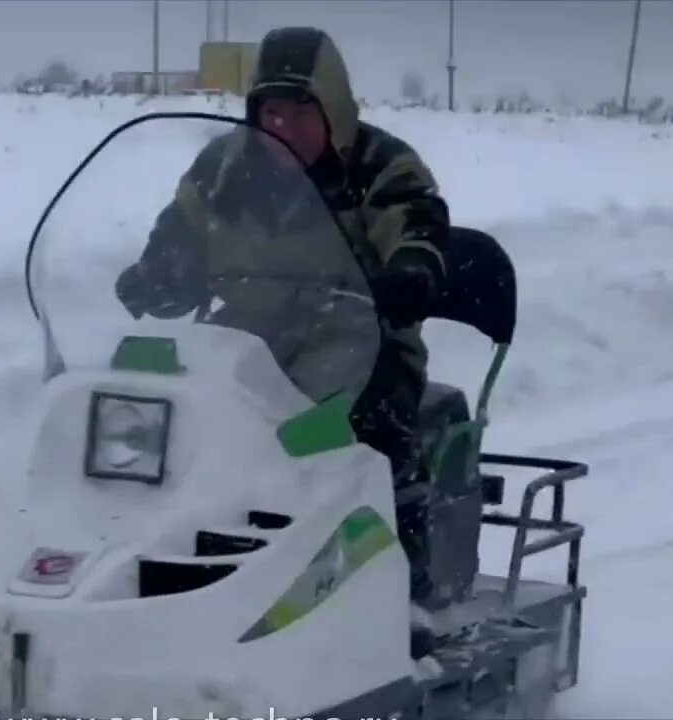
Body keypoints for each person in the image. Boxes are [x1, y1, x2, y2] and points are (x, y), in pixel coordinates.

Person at [114, 26, 452, 638]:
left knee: (374, 426)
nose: (284, 129)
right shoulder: (223, 169)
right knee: (162, 421)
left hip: (358, 339)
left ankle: (406, 585)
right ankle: (160, 571)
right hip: (244, 339)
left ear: (334, 109)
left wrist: (412, 269)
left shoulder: (381, 165)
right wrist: (158, 273)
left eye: (303, 112)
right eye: (272, 112)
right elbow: (181, 231)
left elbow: (417, 221)